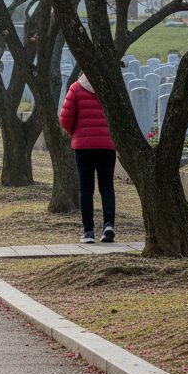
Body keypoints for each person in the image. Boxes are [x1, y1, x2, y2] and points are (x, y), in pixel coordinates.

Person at [60, 71, 117, 244]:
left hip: (83, 147)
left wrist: (75, 134)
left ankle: (89, 231)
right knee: (107, 187)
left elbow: (65, 118)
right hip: (107, 145)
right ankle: (108, 224)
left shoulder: (76, 88)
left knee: (86, 189)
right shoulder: (109, 89)